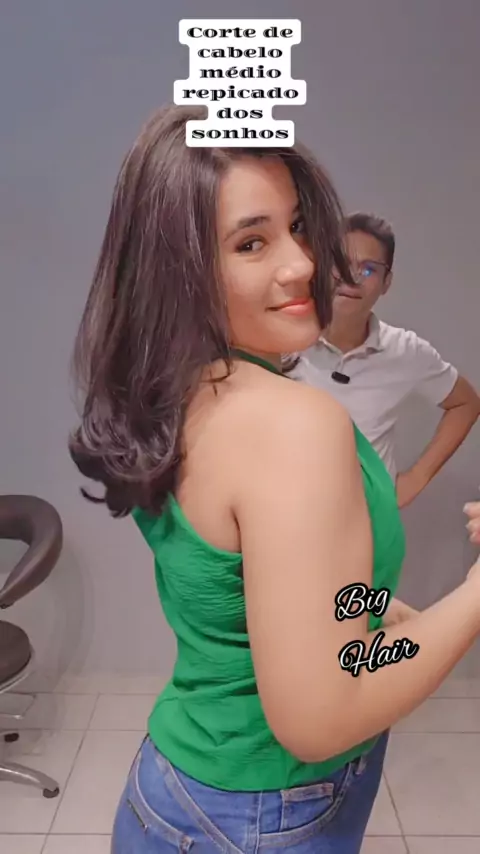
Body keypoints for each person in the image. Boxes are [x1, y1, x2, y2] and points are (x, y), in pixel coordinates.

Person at [69, 104, 480, 854]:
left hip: (178, 786)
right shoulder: (294, 425)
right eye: (251, 242)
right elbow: (320, 720)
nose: (302, 264)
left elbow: (259, 598)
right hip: (262, 818)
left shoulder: (177, 392)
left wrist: (384, 616)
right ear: (177, 267)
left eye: (297, 227)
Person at [292, 213, 480, 508]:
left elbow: (466, 403)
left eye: (368, 269)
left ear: (386, 283)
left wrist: (416, 479)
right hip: (287, 513)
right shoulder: (284, 340)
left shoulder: (404, 351)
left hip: (370, 517)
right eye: (340, 263)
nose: (351, 278)